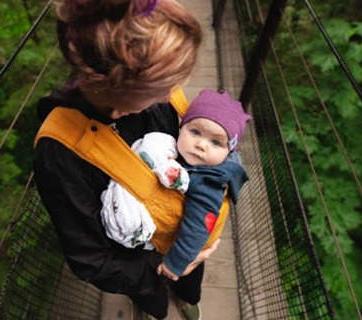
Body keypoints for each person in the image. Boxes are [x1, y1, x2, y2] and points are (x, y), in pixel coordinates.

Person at [33, 0, 220, 319]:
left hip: (185, 229)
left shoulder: (156, 97)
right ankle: (156, 308)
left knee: (190, 283)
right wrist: (163, 268)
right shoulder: (60, 153)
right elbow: (90, 257)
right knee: (153, 301)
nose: (174, 91)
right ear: (122, 104)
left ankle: (188, 297)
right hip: (138, 264)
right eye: (163, 88)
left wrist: (197, 240)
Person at [99, 89, 250, 281]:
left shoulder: (209, 183)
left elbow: (198, 227)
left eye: (215, 143)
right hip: (176, 236)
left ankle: (189, 299)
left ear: (228, 152)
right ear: (182, 127)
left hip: (186, 249)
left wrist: (176, 263)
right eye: (195, 132)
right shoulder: (188, 158)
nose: (201, 145)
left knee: (189, 281)